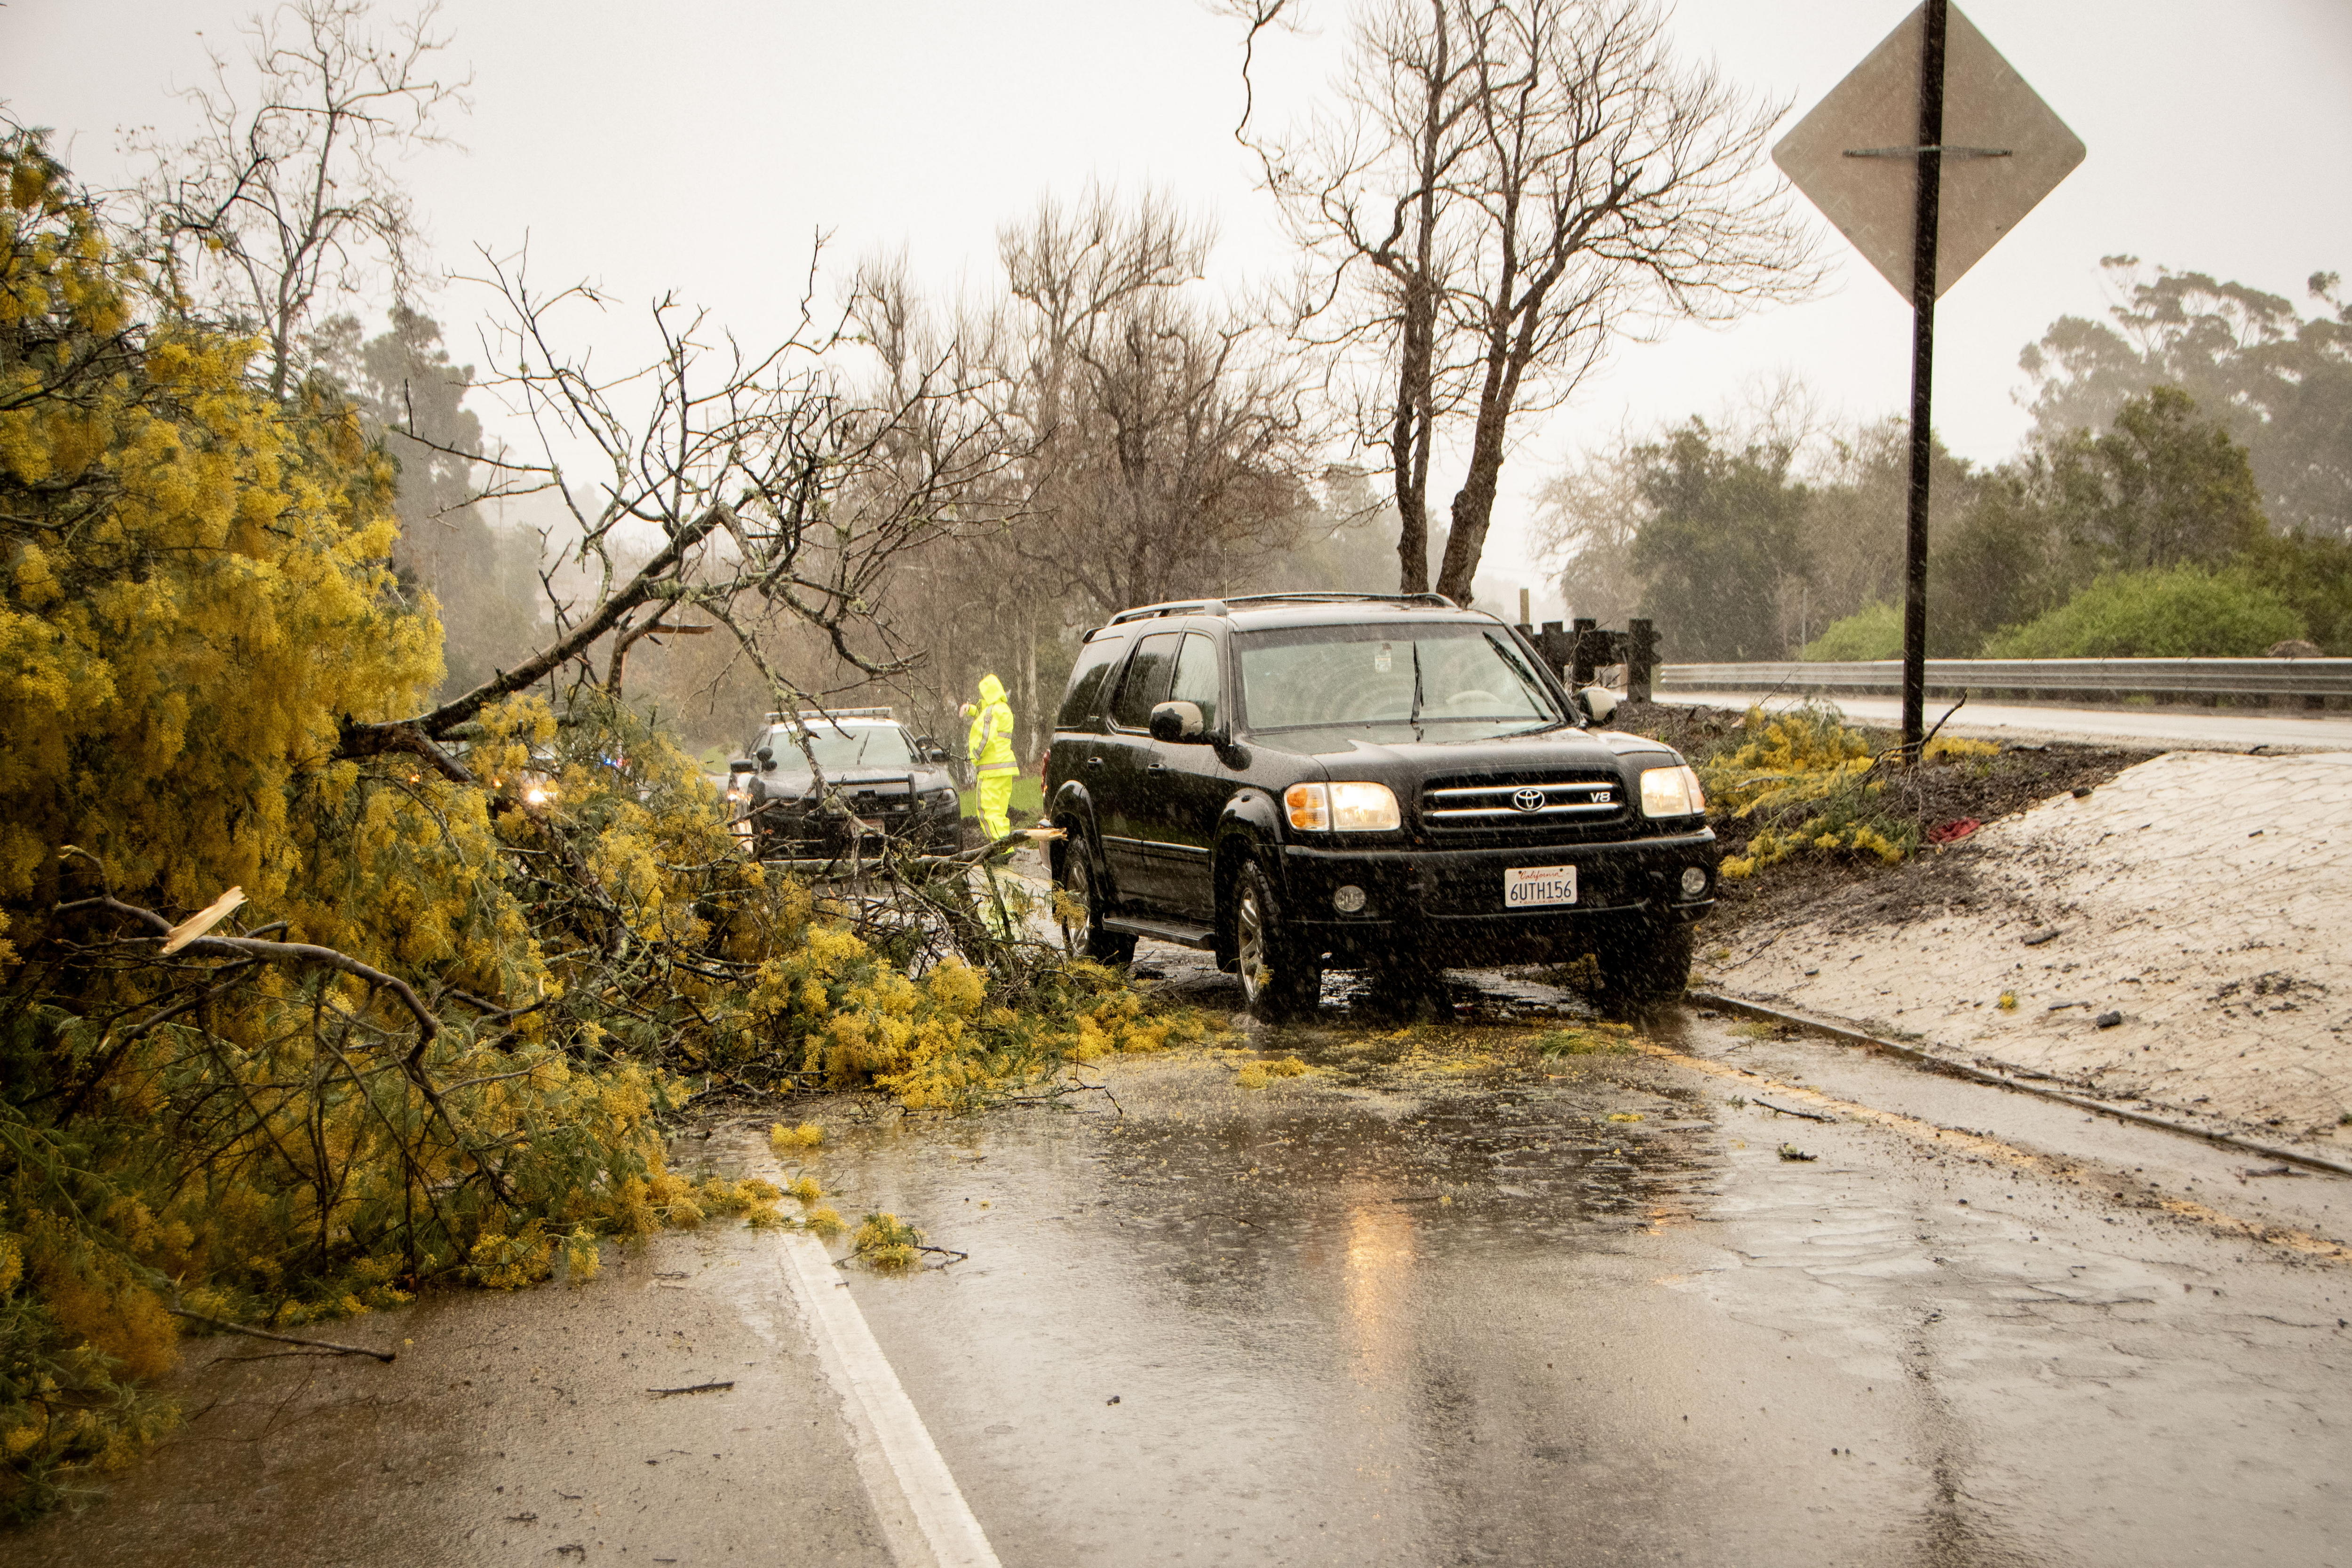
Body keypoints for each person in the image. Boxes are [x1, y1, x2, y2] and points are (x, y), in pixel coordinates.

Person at [961, 673, 1018, 844]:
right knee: (999, 811)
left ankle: (999, 849)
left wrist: (975, 754)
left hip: (990, 769)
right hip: (1005, 768)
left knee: (986, 810)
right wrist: (970, 709)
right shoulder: (1004, 709)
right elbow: (984, 712)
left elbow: (987, 736)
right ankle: (1007, 847)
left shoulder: (992, 712)